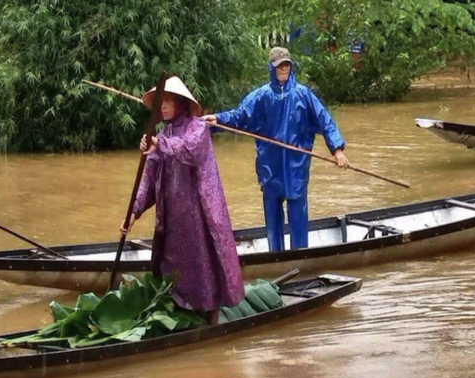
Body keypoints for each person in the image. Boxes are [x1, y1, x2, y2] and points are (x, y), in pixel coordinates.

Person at [119, 76, 245, 325]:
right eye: (161, 102)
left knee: (204, 268)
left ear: (180, 103)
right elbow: (149, 179)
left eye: (168, 101)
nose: (163, 106)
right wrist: (133, 213)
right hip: (173, 219)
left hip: (198, 216)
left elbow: (188, 150)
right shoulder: (162, 133)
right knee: (173, 271)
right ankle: (182, 319)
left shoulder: (198, 128)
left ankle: (212, 322)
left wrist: (158, 144)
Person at [202, 47, 349, 252]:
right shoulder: (261, 96)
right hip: (269, 167)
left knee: (298, 214)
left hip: (296, 167)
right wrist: (217, 120)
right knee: (272, 217)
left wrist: (337, 150)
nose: (284, 69)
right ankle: (275, 256)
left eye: (286, 64)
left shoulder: (303, 95)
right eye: (280, 65)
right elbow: (239, 116)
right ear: (272, 68)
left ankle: (300, 255)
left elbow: (325, 121)